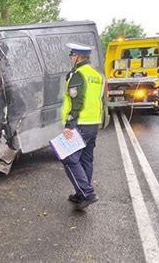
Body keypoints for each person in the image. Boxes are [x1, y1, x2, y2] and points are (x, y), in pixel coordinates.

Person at [61, 43, 105, 210]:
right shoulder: (96, 75)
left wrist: (69, 125)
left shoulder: (78, 75)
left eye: (72, 55)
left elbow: (76, 101)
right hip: (93, 123)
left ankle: (87, 193)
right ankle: (81, 194)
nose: (71, 58)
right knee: (86, 158)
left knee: (69, 159)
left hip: (79, 123)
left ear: (78, 56)